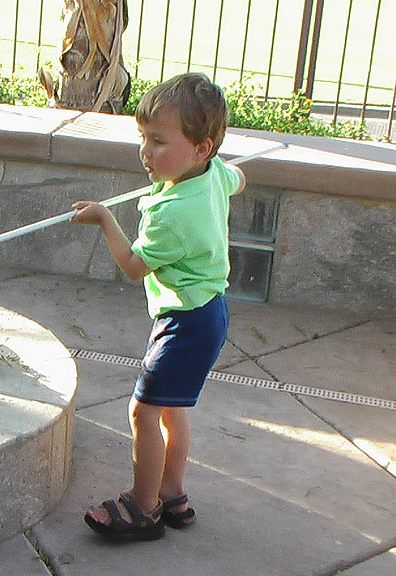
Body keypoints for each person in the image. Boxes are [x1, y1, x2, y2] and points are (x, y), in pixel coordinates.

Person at [70, 72, 246, 541]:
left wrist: (105, 218)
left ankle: (141, 508)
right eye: (143, 139)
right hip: (206, 313)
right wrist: (219, 173)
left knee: (143, 410)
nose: (146, 153)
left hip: (185, 322)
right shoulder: (212, 173)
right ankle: (173, 494)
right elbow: (238, 179)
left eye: (159, 142)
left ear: (200, 148)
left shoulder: (171, 215)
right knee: (171, 409)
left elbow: (132, 265)